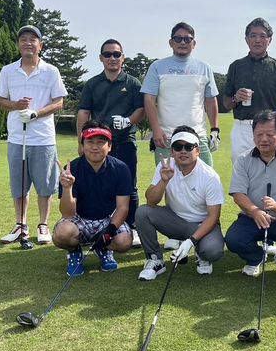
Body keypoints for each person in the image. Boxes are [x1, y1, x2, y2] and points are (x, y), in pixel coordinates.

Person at [141, 22, 221, 250]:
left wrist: (215, 128)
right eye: (178, 38)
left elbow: (210, 100)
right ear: (171, 42)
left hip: (198, 136)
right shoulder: (158, 67)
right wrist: (156, 129)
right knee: (169, 182)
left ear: (194, 43)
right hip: (166, 137)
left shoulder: (204, 68)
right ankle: (176, 232)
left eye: (187, 39)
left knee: (205, 181)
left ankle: (206, 229)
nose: (183, 42)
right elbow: (149, 99)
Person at [0, 24, 67, 246]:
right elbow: (0, 101)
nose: (27, 43)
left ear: (40, 45)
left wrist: (36, 113)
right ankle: (21, 224)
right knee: (19, 185)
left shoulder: (51, 71)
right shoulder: (8, 71)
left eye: (32, 39)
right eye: (23, 39)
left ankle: (43, 225)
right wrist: (16, 105)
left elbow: (59, 102)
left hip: (43, 138)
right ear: (18, 44)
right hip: (17, 137)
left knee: (45, 185)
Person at [225, 110, 276, 280]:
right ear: (253, 136)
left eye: (270, 134)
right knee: (233, 239)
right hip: (251, 217)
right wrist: (255, 211)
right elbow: (238, 193)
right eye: (259, 134)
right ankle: (255, 258)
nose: (264, 139)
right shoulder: (243, 159)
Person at [77, 39, 145, 251]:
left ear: (123, 58)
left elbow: (141, 109)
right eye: (108, 54)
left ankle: (131, 226)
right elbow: (84, 112)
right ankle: (93, 226)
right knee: (96, 183)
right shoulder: (93, 83)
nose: (112, 58)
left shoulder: (132, 83)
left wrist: (129, 121)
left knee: (129, 186)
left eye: (116, 54)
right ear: (101, 58)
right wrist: (81, 140)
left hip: (125, 141)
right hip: (99, 142)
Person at [134, 126, 225, 281]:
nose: (183, 151)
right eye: (178, 147)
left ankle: (201, 253)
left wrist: (190, 241)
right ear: (172, 151)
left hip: (202, 225)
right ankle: (155, 260)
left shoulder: (210, 176)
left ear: (198, 151)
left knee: (212, 251)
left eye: (189, 147)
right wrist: (164, 181)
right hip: (175, 222)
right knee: (143, 212)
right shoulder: (165, 166)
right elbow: (151, 201)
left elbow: (214, 216)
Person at [53, 121, 133, 276]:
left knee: (124, 242)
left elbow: (122, 207)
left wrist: (109, 232)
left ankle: (103, 248)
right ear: (82, 146)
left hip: (107, 218)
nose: (95, 147)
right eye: (90, 142)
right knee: (62, 233)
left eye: (101, 142)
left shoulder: (121, 168)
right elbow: (68, 214)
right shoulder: (71, 169)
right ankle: (74, 251)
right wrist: (67, 188)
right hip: (80, 219)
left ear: (109, 146)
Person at [223, 18, 276, 162]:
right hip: (242, 128)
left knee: (271, 170)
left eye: (262, 36)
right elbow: (226, 103)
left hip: (270, 128)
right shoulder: (236, 66)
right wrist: (236, 98)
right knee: (241, 171)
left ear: (270, 40)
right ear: (246, 39)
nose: (257, 40)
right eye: (253, 35)